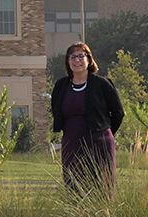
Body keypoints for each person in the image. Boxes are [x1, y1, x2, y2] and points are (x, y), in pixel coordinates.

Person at [51, 41, 123, 197]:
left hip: (100, 144)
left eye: (81, 56)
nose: (77, 60)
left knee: (102, 187)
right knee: (74, 186)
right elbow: (56, 111)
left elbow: (118, 113)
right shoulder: (61, 86)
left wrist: (106, 132)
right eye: (72, 57)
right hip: (72, 143)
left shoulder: (102, 84)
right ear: (68, 61)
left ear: (89, 60)